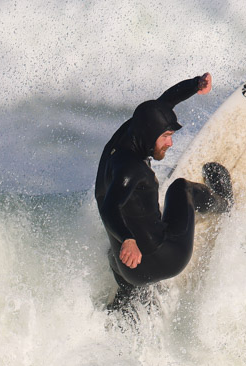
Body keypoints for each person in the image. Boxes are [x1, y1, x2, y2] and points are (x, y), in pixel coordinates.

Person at [95, 72, 233, 311]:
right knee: (181, 188)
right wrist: (128, 239)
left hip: (130, 271)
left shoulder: (123, 140)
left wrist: (195, 85)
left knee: (113, 251)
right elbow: (110, 207)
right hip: (168, 259)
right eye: (166, 137)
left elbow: (164, 103)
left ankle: (127, 303)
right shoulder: (132, 170)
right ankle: (224, 204)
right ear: (149, 135)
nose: (170, 143)